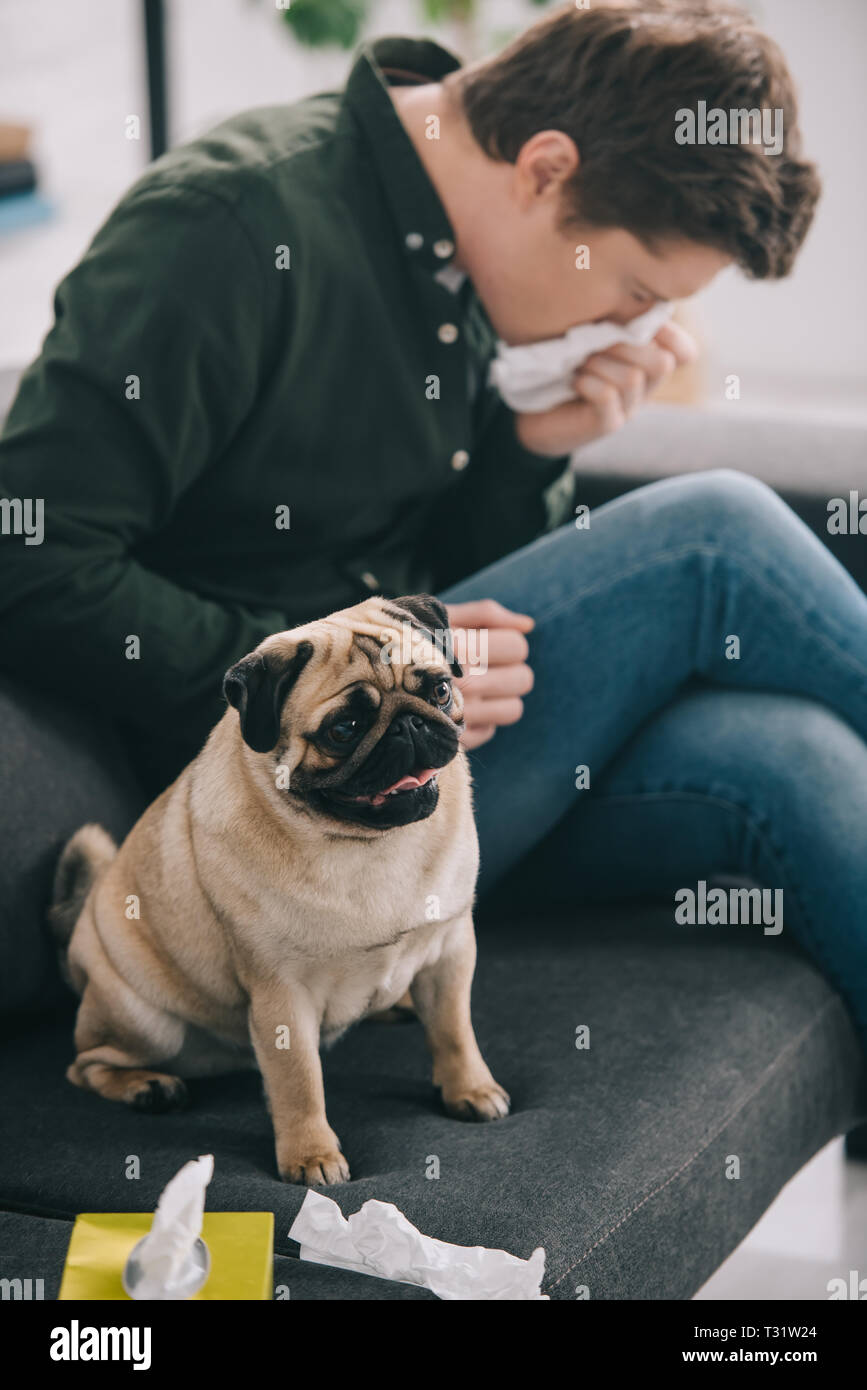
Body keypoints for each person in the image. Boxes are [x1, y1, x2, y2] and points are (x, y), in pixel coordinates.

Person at [2, 1, 865, 1053]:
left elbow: (461, 583)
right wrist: (336, 665)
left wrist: (531, 446)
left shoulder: (457, 259)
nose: (641, 331)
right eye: (635, 290)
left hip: (422, 786)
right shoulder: (226, 229)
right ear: (545, 169)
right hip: (263, 808)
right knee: (715, 531)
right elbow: (28, 553)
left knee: (796, 757)